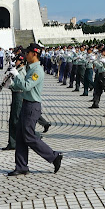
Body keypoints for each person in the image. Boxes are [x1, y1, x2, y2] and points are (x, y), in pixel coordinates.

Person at [7, 43, 63, 176]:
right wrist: (11, 84)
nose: (25, 55)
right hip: (26, 104)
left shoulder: (37, 71)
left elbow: (26, 86)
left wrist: (17, 76)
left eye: (28, 53)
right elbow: (22, 86)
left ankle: (54, 156)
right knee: (20, 137)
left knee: (29, 136)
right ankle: (21, 166)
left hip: (32, 106)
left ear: (34, 54)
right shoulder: (30, 68)